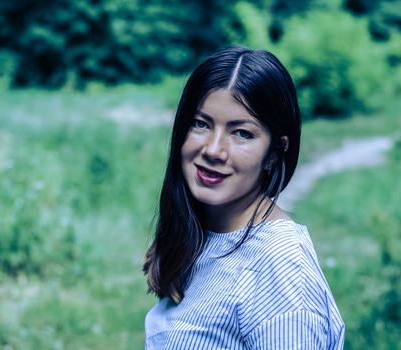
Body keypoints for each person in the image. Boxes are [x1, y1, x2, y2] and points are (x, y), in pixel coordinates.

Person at [143, 47, 345, 349]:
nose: (213, 150)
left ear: (275, 153)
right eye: (201, 123)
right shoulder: (204, 233)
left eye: (242, 133)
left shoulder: (280, 269)